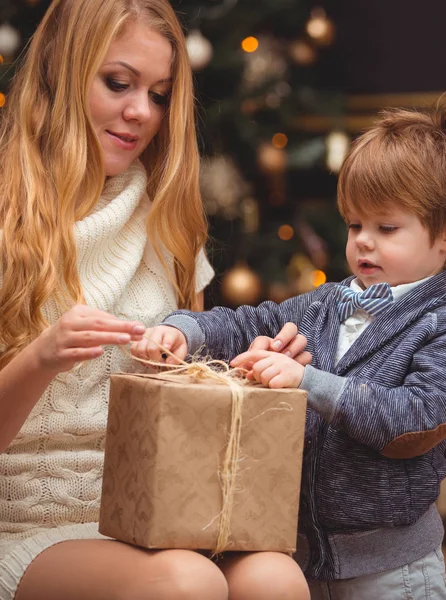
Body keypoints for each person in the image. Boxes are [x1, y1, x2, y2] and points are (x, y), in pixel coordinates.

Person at [0, 1, 310, 599]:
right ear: (63, 76)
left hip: (154, 516)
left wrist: (243, 370)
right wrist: (40, 358)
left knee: (277, 577)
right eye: (118, 83)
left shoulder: (168, 225)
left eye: (161, 95)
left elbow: (189, 395)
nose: (141, 112)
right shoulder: (12, 223)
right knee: (185, 582)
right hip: (27, 526)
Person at [134, 92, 446, 599]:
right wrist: (183, 330)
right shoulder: (325, 304)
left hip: (394, 574)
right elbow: (247, 322)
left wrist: (310, 383)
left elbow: (415, 422)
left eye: (386, 227)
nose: (363, 241)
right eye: (355, 225)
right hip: (298, 560)